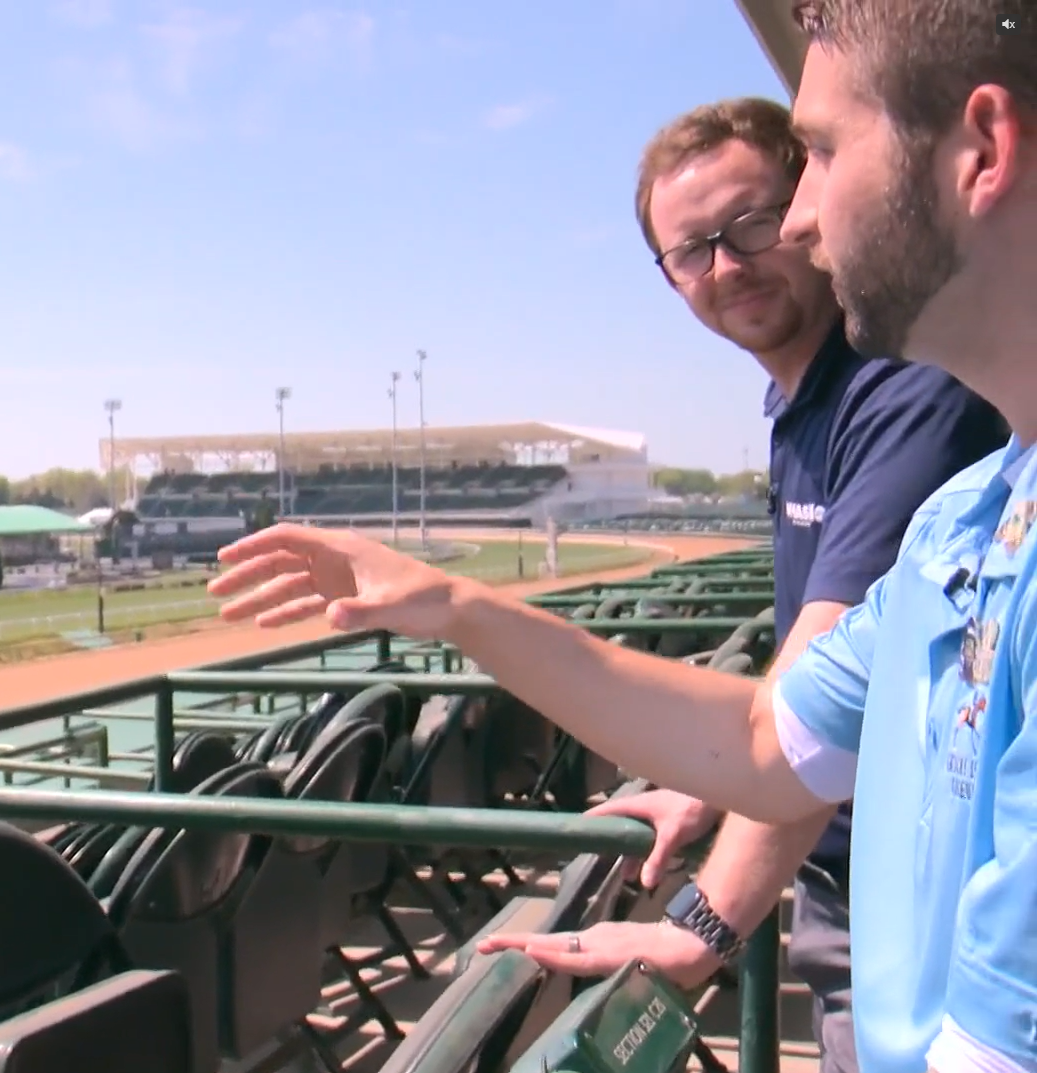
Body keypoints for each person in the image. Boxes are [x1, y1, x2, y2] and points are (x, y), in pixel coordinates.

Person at [206, 2, 1037, 1070]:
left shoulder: (924, 448)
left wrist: (703, 923)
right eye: (693, 248)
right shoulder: (960, 524)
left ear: (982, 150)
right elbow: (760, 745)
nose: (797, 222)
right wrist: (452, 604)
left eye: (819, 156)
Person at [468, 97, 1007, 1073]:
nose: (728, 265)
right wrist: (708, 785)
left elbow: (818, 723)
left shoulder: (900, 390)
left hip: (918, 899)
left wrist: (700, 927)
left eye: (751, 222)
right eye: (691, 250)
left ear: (807, 200)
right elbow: (818, 681)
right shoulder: (801, 401)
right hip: (850, 867)